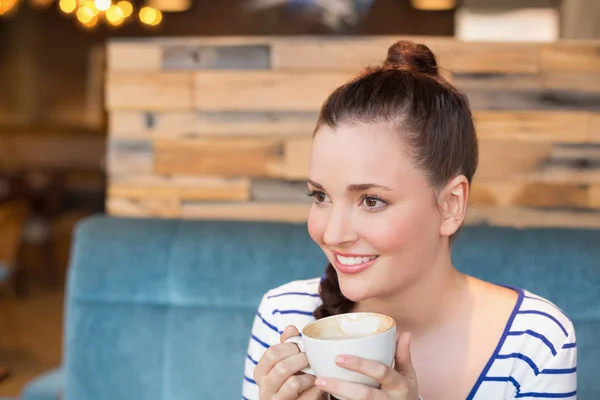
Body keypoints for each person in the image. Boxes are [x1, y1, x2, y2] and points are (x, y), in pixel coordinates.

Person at [242, 40, 577, 400]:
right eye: (320, 196)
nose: (333, 234)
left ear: (450, 205)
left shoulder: (536, 343)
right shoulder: (282, 316)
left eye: (371, 200)